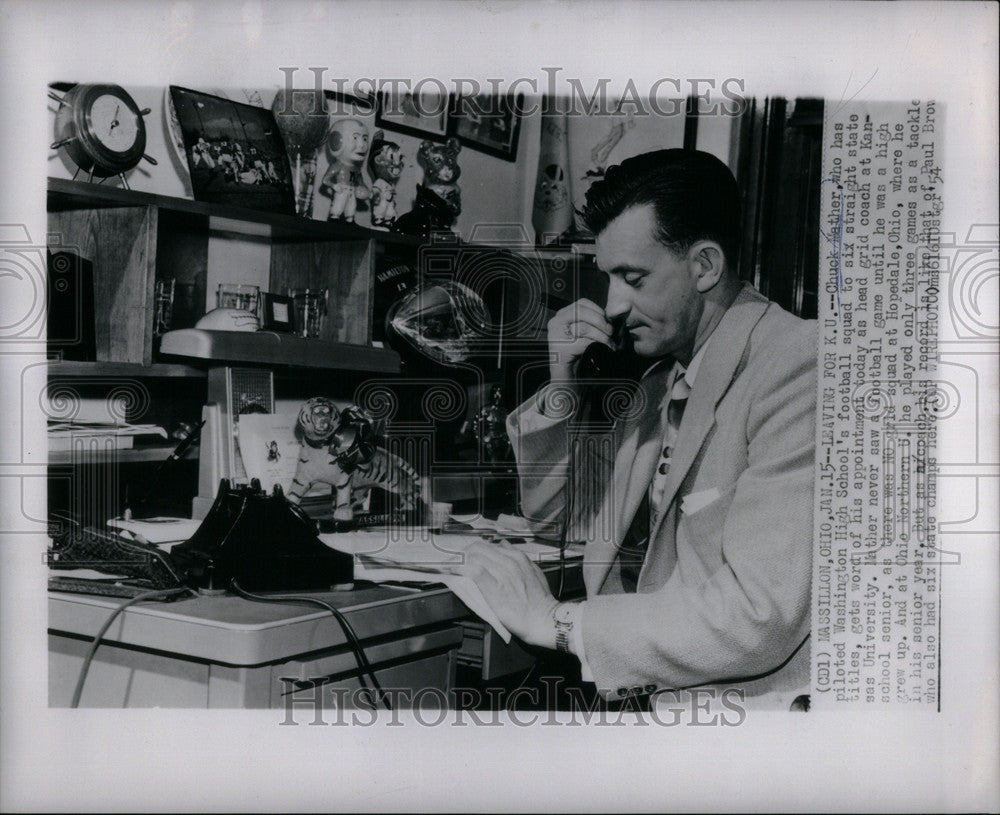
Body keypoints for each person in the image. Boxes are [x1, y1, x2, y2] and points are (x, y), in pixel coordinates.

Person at [464, 148, 817, 710]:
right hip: (635, 693)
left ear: (704, 265)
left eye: (633, 278)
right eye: (608, 278)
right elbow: (558, 516)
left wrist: (557, 623)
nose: (613, 306)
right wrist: (563, 384)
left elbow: (759, 612)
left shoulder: (798, 363)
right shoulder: (660, 384)